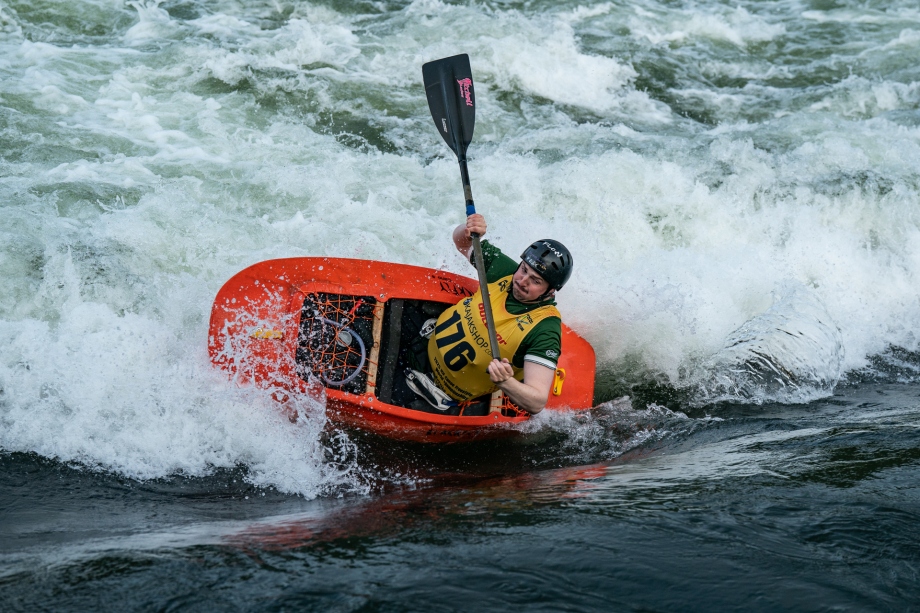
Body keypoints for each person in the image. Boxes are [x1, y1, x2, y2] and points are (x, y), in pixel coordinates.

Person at [405, 214, 572, 415]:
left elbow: (537, 402)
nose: (522, 280)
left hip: (436, 393)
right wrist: (468, 230)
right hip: (424, 341)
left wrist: (506, 382)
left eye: (536, 281)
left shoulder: (545, 329)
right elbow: (462, 244)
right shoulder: (505, 271)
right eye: (524, 269)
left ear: (551, 291)